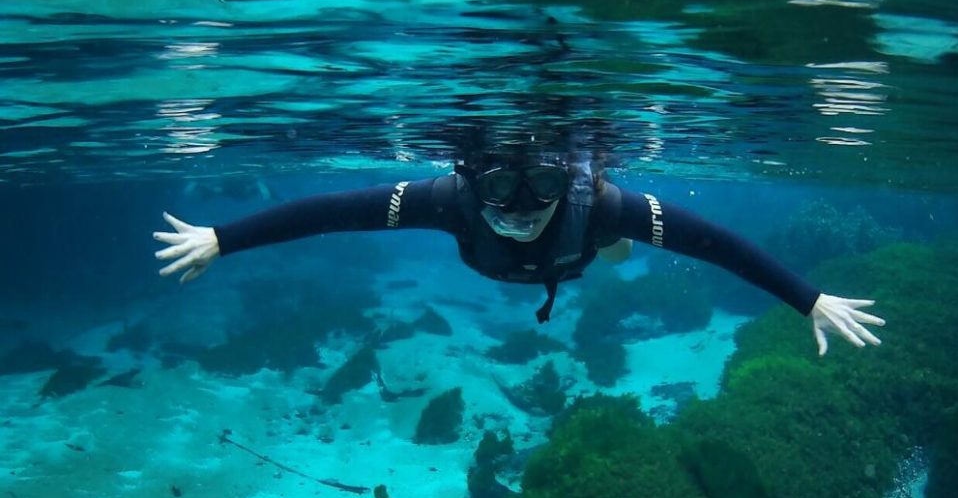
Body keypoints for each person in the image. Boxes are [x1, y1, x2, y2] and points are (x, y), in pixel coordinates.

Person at [154, 149, 884, 356]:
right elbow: (336, 213)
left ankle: (612, 249)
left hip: (588, 249)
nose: (521, 206)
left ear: (566, 177)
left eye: (541, 183)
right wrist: (223, 238)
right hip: (542, 258)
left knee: (616, 244)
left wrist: (806, 297)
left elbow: (714, 245)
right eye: (501, 184)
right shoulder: (448, 199)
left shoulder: (595, 205)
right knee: (600, 239)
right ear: (473, 177)